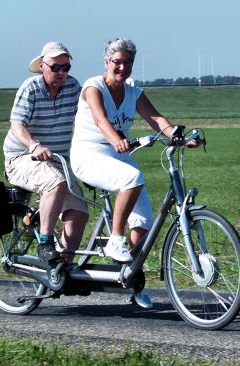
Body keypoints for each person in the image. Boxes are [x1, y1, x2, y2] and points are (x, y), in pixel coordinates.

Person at [70, 38, 196, 308]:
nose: (122, 67)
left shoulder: (132, 90)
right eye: (117, 62)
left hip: (119, 155)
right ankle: (115, 240)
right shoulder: (93, 87)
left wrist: (180, 136)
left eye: (128, 63)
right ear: (107, 62)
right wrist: (115, 138)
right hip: (88, 155)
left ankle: (133, 280)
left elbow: (156, 119)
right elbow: (100, 119)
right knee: (132, 178)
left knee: (143, 222)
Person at [3, 41, 88, 263]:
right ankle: (45, 242)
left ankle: (62, 268)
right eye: (55, 67)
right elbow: (17, 125)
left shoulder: (73, 87)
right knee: (55, 182)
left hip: (56, 161)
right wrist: (33, 146)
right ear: (42, 65)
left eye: (66, 67)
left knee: (79, 211)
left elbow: (89, 119)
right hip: (22, 158)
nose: (61, 73)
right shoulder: (30, 88)